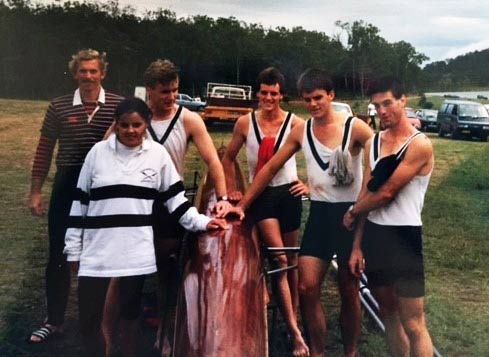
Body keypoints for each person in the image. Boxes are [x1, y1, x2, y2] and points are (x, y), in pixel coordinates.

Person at [64, 97, 227, 357]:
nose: (131, 131)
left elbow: (177, 202)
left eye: (137, 125)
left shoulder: (158, 155)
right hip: (97, 253)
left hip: (135, 254)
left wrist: (205, 222)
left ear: (146, 124)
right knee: (88, 325)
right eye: (125, 125)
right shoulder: (97, 153)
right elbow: (79, 203)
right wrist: (73, 249)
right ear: (116, 125)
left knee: (129, 318)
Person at [231, 68, 373, 357]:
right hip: (320, 217)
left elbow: (378, 161)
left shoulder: (354, 127)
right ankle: (317, 351)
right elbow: (270, 168)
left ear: (331, 96)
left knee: (348, 289)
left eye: (318, 98)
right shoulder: (302, 130)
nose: (313, 105)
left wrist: (362, 205)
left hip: (350, 218)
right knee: (308, 288)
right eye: (307, 100)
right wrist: (242, 206)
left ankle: (351, 352)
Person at [28, 49, 123, 343]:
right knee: (59, 253)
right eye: (83, 71)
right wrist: (36, 191)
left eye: (93, 71)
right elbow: (45, 150)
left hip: (104, 188)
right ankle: (54, 321)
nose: (88, 76)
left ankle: (99, 325)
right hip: (67, 185)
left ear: (102, 73)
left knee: (102, 255)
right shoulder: (58, 107)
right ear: (75, 74)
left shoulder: (119, 105)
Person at [343, 76, 434, 357]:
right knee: (389, 314)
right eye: (376, 106)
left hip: (404, 238)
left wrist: (352, 211)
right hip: (375, 236)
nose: (382, 111)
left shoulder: (419, 145)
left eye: (388, 103)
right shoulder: (374, 143)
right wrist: (357, 245)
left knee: (414, 323)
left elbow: (386, 194)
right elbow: (365, 192)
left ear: (403, 100)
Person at [221, 67, 309, 357]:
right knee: (280, 259)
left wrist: (309, 185)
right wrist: (233, 189)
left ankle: (291, 317)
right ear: (256, 93)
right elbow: (228, 158)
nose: (268, 98)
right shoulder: (245, 123)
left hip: (289, 194)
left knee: (292, 259)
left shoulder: (296, 123)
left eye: (274, 93)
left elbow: (320, 157)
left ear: (281, 95)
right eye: (264, 93)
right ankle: (296, 334)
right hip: (261, 197)